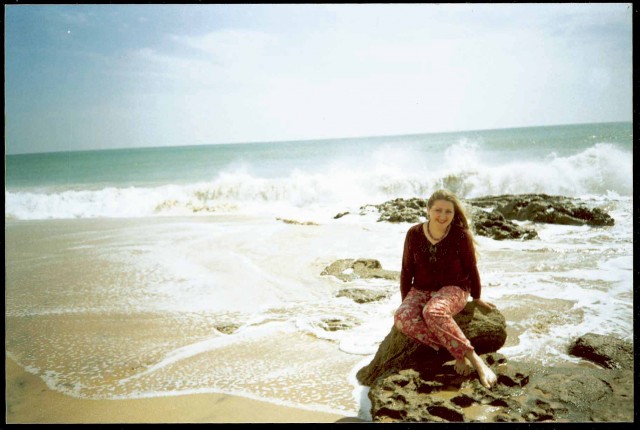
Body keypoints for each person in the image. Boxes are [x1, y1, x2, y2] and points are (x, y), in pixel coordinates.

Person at [393, 189, 498, 389]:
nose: (442, 216)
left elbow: (471, 267)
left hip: (455, 287)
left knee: (433, 312)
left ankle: (474, 359)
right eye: (438, 210)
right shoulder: (414, 234)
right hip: (421, 289)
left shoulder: (460, 236)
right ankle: (455, 352)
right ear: (428, 210)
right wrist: (406, 304)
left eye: (448, 211)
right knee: (401, 318)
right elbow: (406, 270)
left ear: (454, 213)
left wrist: (476, 296)